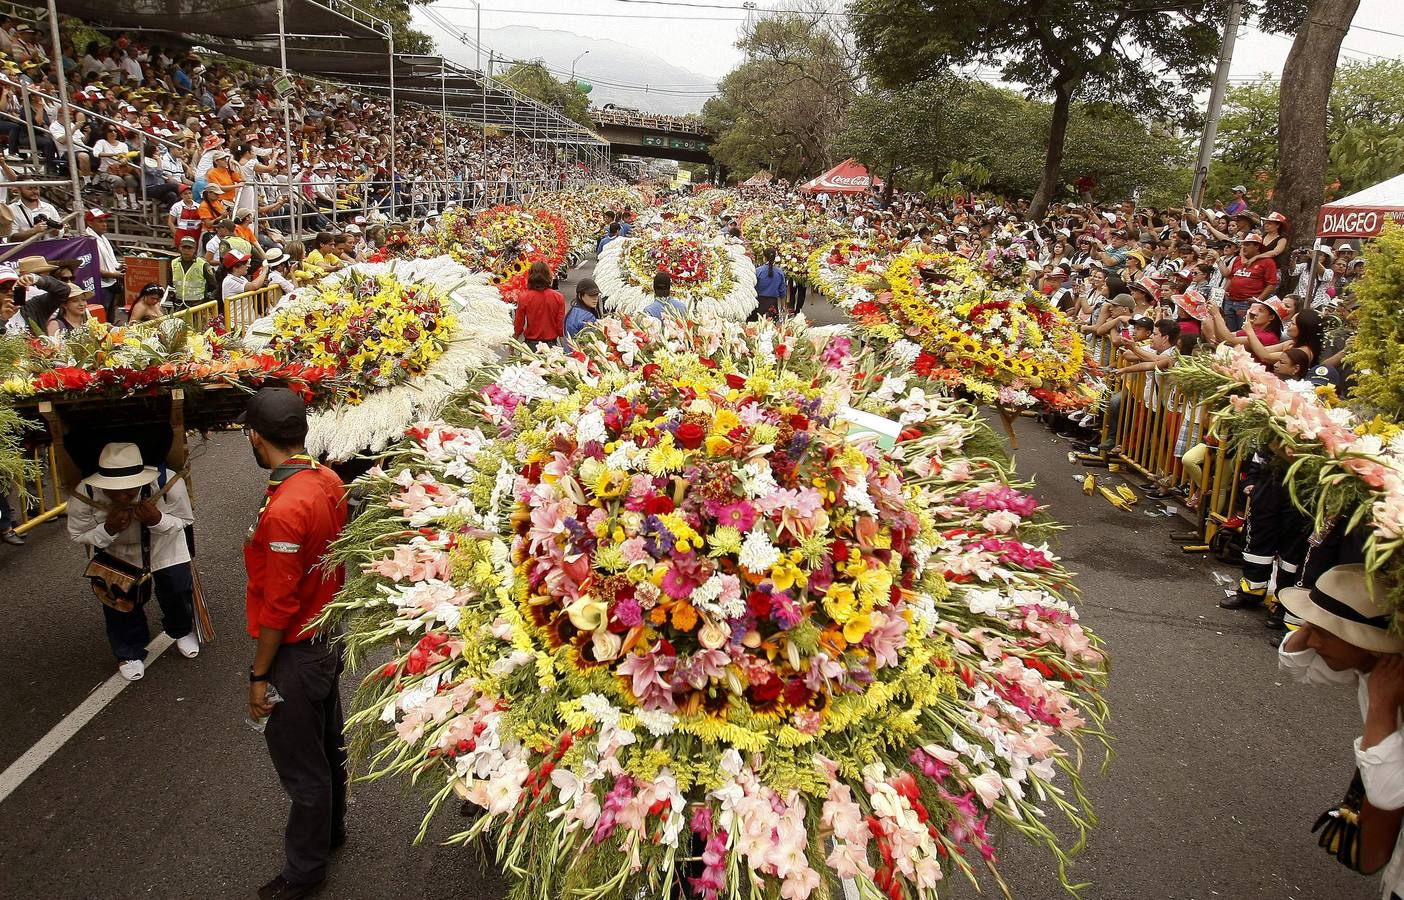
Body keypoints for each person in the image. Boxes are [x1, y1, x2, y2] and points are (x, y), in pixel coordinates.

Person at [240, 387, 349, 900]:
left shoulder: (286, 507)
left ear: (257, 438)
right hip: (328, 637)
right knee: (328, 745)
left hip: (297, 653)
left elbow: (279, 606)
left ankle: (304, 873)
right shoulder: (326, 479)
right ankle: (332, 832)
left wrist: (260, 676)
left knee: (303, 769)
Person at [1278, 564, 1404, 896]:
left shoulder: (1387, 686)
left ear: (1372, 644)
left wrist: (1382, 707)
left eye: (1326, 633)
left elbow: (1387, 793)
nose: (1313, 640)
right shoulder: (1371, 664)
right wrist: (1318, 618)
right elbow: (1295, 665)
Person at [67, 441, 200, 681]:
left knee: (177, 589)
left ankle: (181, 629)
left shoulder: (168, 483)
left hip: (165, 546)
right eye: (114, 490)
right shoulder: (83, 494)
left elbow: (184, 520)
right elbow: (77, 534)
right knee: (118, 602)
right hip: (117, 553)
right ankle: (129, 652)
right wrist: (108, 529)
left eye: (129, 489)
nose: (123, 496)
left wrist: (158, 520)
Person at [511, 261, 565, 347]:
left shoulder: (524, 297)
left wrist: (514, 341)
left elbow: (519, 323)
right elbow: (560, 325)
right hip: (551, 345)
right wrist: (563, 346)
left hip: (531, 345)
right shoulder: (558, 297)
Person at [84, 207, 123, 321]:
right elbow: (90, 267)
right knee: (101, 318)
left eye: (105, 221)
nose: (104, 224)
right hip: (100, 286)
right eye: (100, 221)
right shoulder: (87, 239)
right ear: (90, 223)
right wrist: (113, 275)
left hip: (110, 284)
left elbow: (109, 261)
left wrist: (119, 266)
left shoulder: (103, 237)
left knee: (110, 318)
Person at [170, 235, 215, 308]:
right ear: (180, 248)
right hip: (179, 305)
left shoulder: (203, 264)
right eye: (184, 247)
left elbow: (213, 285)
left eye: (189, 248)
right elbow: (170, 284)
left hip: (197, 305)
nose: (186, 250)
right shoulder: (174, 263)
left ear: (194, 249)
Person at [563, 277, 600, 349]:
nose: (595, 298)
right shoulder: (588, 317)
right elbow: (591, 344)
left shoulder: (573, 311)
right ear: (580, 296)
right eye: (591, 295)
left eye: (596, 294)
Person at [754, 247, 786, 320]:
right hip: (773, 303)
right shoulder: (779, 272)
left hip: (759, 303)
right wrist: (782, 305)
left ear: (764, 258)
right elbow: (782, 291)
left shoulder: (758, 271)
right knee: (772, 327)